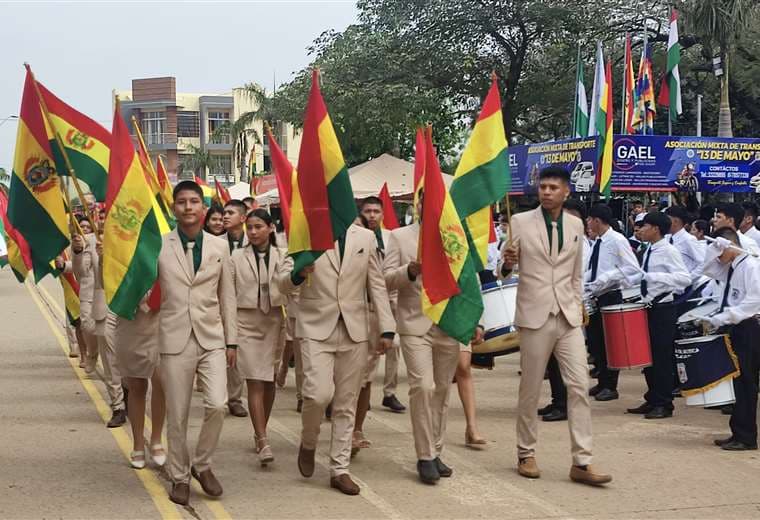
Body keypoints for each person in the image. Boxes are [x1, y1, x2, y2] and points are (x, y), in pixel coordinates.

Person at [499, 166, 611, 486]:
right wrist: (507, 262)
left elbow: (576, 274)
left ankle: (582, 461)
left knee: (579, 386)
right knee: (531, 388)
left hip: (568, 317)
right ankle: (525, 452)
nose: (546, 192)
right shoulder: (520, 222)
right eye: (543, 186)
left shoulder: (576, 225)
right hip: (534, 315)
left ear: (566, 192)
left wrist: (577, 306)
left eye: (553, 187)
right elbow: (504, 270)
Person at [280, 222, 395, 496]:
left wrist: (387, 327)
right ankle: (308, 441)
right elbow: (281, 282)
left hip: (354, 329)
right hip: (314, 327)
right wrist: (297, 275)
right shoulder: (305, 232)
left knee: (346, 402)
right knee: (317, 395)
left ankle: (339, 468)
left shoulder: (366, 237)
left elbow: (377, 285)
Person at [385, 193, 484, 485]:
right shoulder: (401, 237)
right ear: (419, 207)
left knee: (442, 390)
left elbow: (468, 282)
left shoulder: (456, 237)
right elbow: (386, 278)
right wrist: (410, 271)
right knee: (423, 387)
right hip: (415, 324)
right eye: (426, 205)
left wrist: (474, 320)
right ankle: (424, 456)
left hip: (449, 324)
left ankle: (436, 450)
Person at [157, 181, 237, 506]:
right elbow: (138, 285)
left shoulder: (220, 247)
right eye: (181, 202)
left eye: (194, 202)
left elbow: (227, 296)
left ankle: (202, 465)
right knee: (177, 414)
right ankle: (179, 476)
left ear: (203, 209)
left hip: (212, 337)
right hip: (174, 338)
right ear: (173, 208)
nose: (188, 207)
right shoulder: (159, 245)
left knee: (218, 404)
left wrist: (232, 341)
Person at [229, 209, 291, 466]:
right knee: (254, 380)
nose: (253, 232)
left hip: (275, 320)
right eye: (250, 227)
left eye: (258, 227)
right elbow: (228, 297)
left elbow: (289, 285)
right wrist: (229, 336)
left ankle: (260, 429)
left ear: (270, 227)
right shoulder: (234, 257)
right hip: (247, 322)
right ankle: (262, 437)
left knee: (269, 381)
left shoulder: (283, 255)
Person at [700, 227, 760, 450]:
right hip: (736, 326)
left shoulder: (751, 266)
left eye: (720, 251)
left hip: (748, 327)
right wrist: (713, 250)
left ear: (731, 246)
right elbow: (708, 270)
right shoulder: (732, 266)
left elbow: (754, 301)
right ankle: (738, 432)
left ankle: (746, 437)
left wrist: (727, 316)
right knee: (737, 381)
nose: (718, 257)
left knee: (746, 383)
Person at [626, 212, 690, 419]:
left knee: (661, 358)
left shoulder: (669, 251)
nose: (641, 230)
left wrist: (653, 277)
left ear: (655, 229)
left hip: (663, 310)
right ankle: (652, 397)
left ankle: (664, 403)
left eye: (644, 226)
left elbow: (684, 278)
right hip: (648, 308)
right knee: (648, 358)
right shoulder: (649, 250)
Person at [352, 197, 404, 453]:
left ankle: (357, 428)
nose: (372, 215)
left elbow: (388, 275)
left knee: (367, 375)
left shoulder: (390, 238)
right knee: (348, 376)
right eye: (367, 211)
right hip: (353, 311)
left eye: (376, 211)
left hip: (383, 307)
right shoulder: (352, 238)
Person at [584, 204, 641, 402]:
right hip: (595, 295)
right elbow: (593, 267)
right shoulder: (597, 242)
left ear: (597, 220)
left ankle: (611, 385)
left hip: (611, 295)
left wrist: (608, 277)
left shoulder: (617, 240)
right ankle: (601, 381)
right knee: (596, 342)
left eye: (589, 219)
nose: (587, 224)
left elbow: (632, 268)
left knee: (610, 343)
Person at [112, 291, 167, 470]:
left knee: (161, 380)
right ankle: (137, 444)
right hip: (130, 320)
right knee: (136, 385)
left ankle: (156, 439)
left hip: (161, 319)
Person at [221, 199, 250, 419]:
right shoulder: (216, 243)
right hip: (218, 305)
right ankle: (228, 397)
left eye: (230, 213)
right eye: (224, 212)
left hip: (246, 305)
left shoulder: (256, 241)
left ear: (243, 218)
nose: (225, 216)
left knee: (236, 354)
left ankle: (235, 398)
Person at [72, 216, 99, 374]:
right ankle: (92, 353)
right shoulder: (81, 242)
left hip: (109, 295)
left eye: (88, 226)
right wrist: (78, 250)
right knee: (87, 326)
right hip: (89, 293)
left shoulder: (108, 238)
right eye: (82, 226)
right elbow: (80, 270)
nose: (85, 229)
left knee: (108, 336)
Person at [664, 205, 705, 286]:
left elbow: (703, 263)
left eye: (666, 219)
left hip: (682, 289)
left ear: (675, 221)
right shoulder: (666, 238)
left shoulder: (688, 239)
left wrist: (689, 278)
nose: (663, 223)